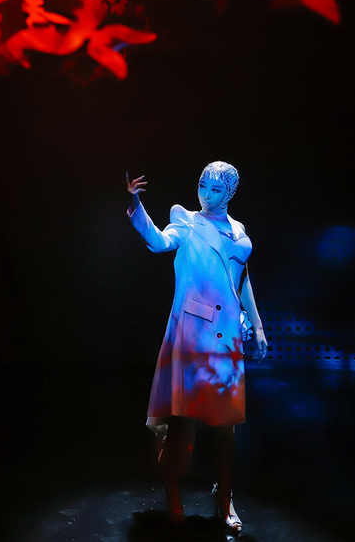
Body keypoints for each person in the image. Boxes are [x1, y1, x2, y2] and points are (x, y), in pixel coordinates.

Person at [125, 161, 268, 533]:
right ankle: (173, 493)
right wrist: (136, 206)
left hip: (227, 337)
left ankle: (225, 496)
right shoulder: (186, 221)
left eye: (216, 189)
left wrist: (256, 324)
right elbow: (159, 241)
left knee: (226, 426)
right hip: (193, 334)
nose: (206, 194)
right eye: (203, 185)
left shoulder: (238, 231)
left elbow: (241, 277)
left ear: (230, 193)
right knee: (182, 421)